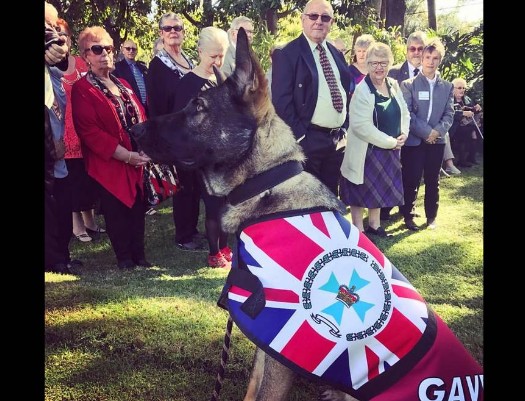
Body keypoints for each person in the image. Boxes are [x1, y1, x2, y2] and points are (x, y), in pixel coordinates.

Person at [71, 26, 152, 269]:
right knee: (117, 211)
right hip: (110, 163)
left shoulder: (124, 83)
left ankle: (139, 256)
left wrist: (145, 149)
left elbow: (142, 116)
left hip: (136, 159)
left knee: (138, 208)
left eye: (108, 48)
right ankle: (125, 259)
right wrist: (126, 156)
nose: (105, 53)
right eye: (97, 49)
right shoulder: (82, 89)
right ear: (86, 56)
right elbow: (90, 132)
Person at [272, 0, 350, 196]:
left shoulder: (336, 53)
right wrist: (302, 138)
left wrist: (344, 126)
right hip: (309, 140)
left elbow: (344, 90)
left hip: (336, 141)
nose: (319, 21)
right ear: (302, 20)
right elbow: (281, 102)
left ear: (331, 22)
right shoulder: (287, 54)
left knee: (331, 197)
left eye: (325, 17)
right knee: (309, 201)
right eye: (313, 16)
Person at [171, 26, 232, 268]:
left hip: (225, 155)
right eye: (213, 56)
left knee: (228, 204)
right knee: (214, 206)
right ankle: (214, 252)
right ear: (199, 52)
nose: (217, 61)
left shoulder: (223, 80)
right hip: (202, 159)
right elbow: (181, 124)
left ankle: (226, 247)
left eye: (221, 56)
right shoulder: (187, 83)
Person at [340, 42, 409, 238]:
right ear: (367, 64)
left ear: (390, 64)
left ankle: (374, 225)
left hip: (390, 148)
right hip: (367, 150)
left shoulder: (393, 84)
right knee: (359, 191)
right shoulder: (362, 90)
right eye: (374, 63)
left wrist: (403, 132)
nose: (379, 67)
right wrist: (390, 142)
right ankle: (358, 229)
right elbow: (361, 126)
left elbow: (404, 111)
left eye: (383, 63)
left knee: (377, 190)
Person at [146, 12, 203, 251]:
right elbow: (157, 106)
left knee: (194, 184)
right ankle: (183, 235)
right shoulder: (158, 65)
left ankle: (192, 229)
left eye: (177, 28)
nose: (173, 32)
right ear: (161, 33)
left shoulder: (189, 61)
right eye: (168, 28)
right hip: (175, 135)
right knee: (182, 185)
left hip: (195, 135)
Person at [56, 18, 105, 243]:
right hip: (64, 132)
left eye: (64, 34)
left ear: (69, 38)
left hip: (85, 127)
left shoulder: (81, 62)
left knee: (89, 177)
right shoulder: (49, 68)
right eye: (56, 34)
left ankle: (91, 221)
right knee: (73, 180)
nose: (60, 38)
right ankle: (77, 226)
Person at [399, 38, 454, 231]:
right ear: (421, 58)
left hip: (437, 142)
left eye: (435, 58)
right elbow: (407, 113)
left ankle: (431, 217)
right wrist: (426, 132)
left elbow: (449, 113)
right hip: (414, 141)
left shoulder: (447, 87)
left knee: (433, 180)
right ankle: (408, 215)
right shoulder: (408, 84)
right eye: (427, 57)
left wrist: (437, 132)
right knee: (411, 178)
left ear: (440, 60)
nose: (431, 61)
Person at [45, 2, 83, 275]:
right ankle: (54, 258)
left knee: (62, 201)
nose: (52, 32)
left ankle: (62, 254)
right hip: (48, 147)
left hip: (58, 146)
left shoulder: (53, 75)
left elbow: (60, 55)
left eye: (54, 25)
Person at [380, 30, 428, 222]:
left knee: (413, 175)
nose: (416, 52)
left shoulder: (430, 75)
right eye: (412, 49)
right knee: (391, 174)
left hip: (418, 136)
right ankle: (384, 209)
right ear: (407, 51)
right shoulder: (393, 73)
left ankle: (408, 208)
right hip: (395, 135)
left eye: (420, 48)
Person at [449, 77, 483, 168]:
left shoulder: (466, 98)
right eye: (459, 88)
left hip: (467, 124)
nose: (462, 90)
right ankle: (462, 160)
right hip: (453, 125)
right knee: (467, 131)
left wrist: (477, 108)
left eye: (464, 88)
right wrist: (462, 113)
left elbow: (472, 109)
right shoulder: (448, 99)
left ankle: (471, 158)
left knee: (475, 129)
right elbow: (448, 113)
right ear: (453, 88)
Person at [113, 39, 149, 113]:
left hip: (147, 108)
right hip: (131, 108)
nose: (131, 51)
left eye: (134, 49)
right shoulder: (117, 68)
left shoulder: (143, 67)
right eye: (128, 48)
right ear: (123, 50)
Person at [347, 34, 375, 100]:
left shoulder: (375, 70)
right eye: (359, 51)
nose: (361, 54)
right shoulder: (349, 72)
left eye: (364, 51)